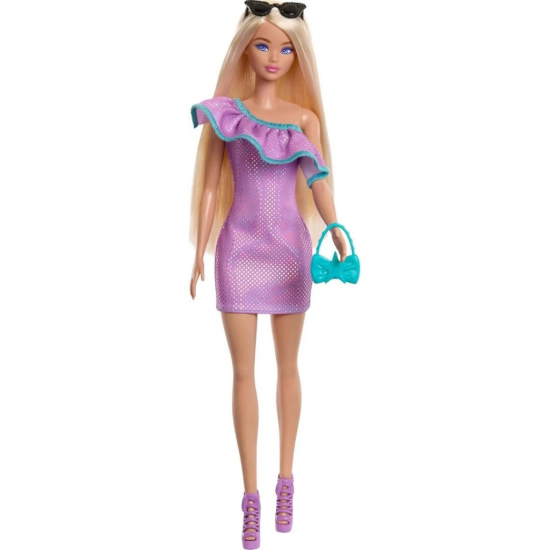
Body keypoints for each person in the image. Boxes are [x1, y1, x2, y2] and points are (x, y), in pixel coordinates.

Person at [188, 2, 346, 547]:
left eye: (286, 48)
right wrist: (199, 251)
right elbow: (210, 185)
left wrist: (336, 227)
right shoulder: (226, 115)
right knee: (242, 373)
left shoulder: (304, 121)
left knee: (287, 368)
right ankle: (250, 496)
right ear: (244, 49)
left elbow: (319, 181)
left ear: (298, 56)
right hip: (237, 249)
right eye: (263, 45)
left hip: (290, 253)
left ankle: (286, 480)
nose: (274, 57)